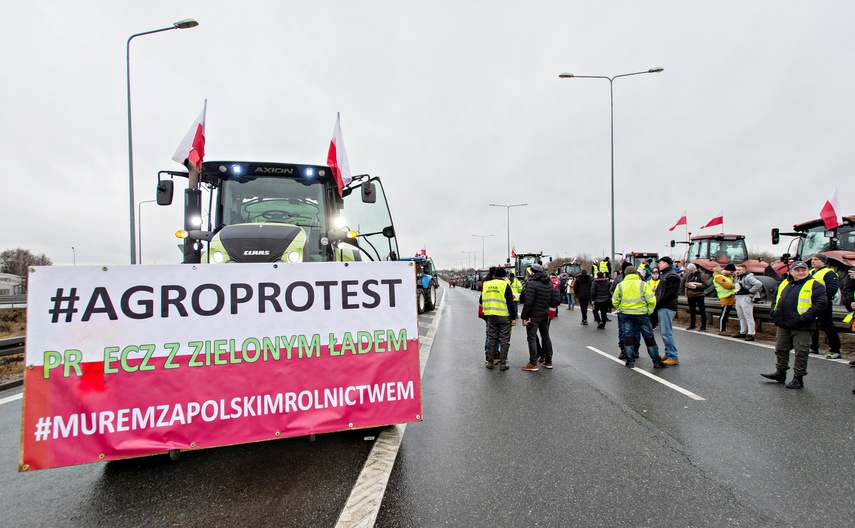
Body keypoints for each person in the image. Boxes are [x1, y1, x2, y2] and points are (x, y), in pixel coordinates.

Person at [761, 260, 827, 389]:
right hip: (783, 323)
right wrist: (773, 312)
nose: (801, 273)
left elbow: (821, 305)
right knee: (780, 349)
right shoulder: (784, 283)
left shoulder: (815, 285)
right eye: (797, 270)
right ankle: (780, 373)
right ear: (791, 272)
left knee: (801, 352)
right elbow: (775, 298)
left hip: (803, 325)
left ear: (808, 271)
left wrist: (804, 318)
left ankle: (798, 377)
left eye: (804, 270)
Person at [611, 266, 668, 369]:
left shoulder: (620, 285)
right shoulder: (643, 284)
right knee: (649, 338)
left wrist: (621, 308)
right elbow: (652, 300)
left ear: (626, 274)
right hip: (642, 314)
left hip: (626, 314)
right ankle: (657, 362)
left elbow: (615, 301)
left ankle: (630, 362)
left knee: (628, 338)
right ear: (636, 274)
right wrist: (649, 311)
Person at [479, 267, 517, 371]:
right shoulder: (505, 285)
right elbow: (510, 303)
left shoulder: (487, 284)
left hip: (491, 316)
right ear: (504, 276)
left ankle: (490, 363)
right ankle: (503, 364)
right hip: (504, 316)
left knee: (492, 338)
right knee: (504, 339)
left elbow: (481, 300)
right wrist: (513, 317)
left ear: (494, 275)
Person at [520, 263, 555, 371]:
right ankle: (548, 361)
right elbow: (552, 299)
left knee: (531, 338)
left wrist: (524, 316)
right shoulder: (549, 283)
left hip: (533, 315)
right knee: (545, 336)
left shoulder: (532, 283)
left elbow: (528, 302)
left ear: (533, 272)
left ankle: (533, 363)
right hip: (545, 314)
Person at [807, 254, 841, 359]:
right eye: (812, 259)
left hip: (823, 303)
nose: (813, 261)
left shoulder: (829, 273)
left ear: (823, 261)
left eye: (816, 259)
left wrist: (821, 300)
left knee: (827, 326)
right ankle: (814, 346)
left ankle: (835, 350)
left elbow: (832, 289)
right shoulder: (810, 272)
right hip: (811, 303)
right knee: (812, 325)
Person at [654, 256, 681, 366]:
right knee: (664, 332)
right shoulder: (666, 274)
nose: (658, 265)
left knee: (666, 332)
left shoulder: (671, 276)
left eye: (660, 263)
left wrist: (659, 302)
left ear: (666, 263)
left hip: (667, 306)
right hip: (663, 306)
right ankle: (668, 353)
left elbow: (672, 293)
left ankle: (673, 356)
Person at [732, 264, 763, 341]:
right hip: (738, 297)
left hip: (745, 297)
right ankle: (742, 332)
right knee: (741, 316)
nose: (737, 271)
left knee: (748, 316)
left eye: (739, 270)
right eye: (737, 270)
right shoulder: (737, 277)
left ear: (744, 270)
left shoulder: (748, 277)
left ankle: (751, 333)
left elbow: (758, 284)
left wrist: (751, 292)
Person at [682, 263, 709, 331]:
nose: (690, 272)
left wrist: (696, 286)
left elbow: (705, 285)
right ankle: (692, 325)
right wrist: (687, 285)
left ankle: (703, 326)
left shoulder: (701, 275)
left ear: (694, 269)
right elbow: (686, 282)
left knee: (702, 311)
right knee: (692, 311)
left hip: (699, 295)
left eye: (691, 270)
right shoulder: (689, 275)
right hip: (691, 295)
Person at [713, 264, 737, 335]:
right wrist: (736, 285)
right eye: (731, 271)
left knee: (725, 314)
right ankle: (722, 330)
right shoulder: (719, 277)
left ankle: (723, 329)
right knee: (724, 314)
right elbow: (727, 286)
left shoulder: (728, 276)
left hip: (730, 297)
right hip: (725, 297)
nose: (731, 273)